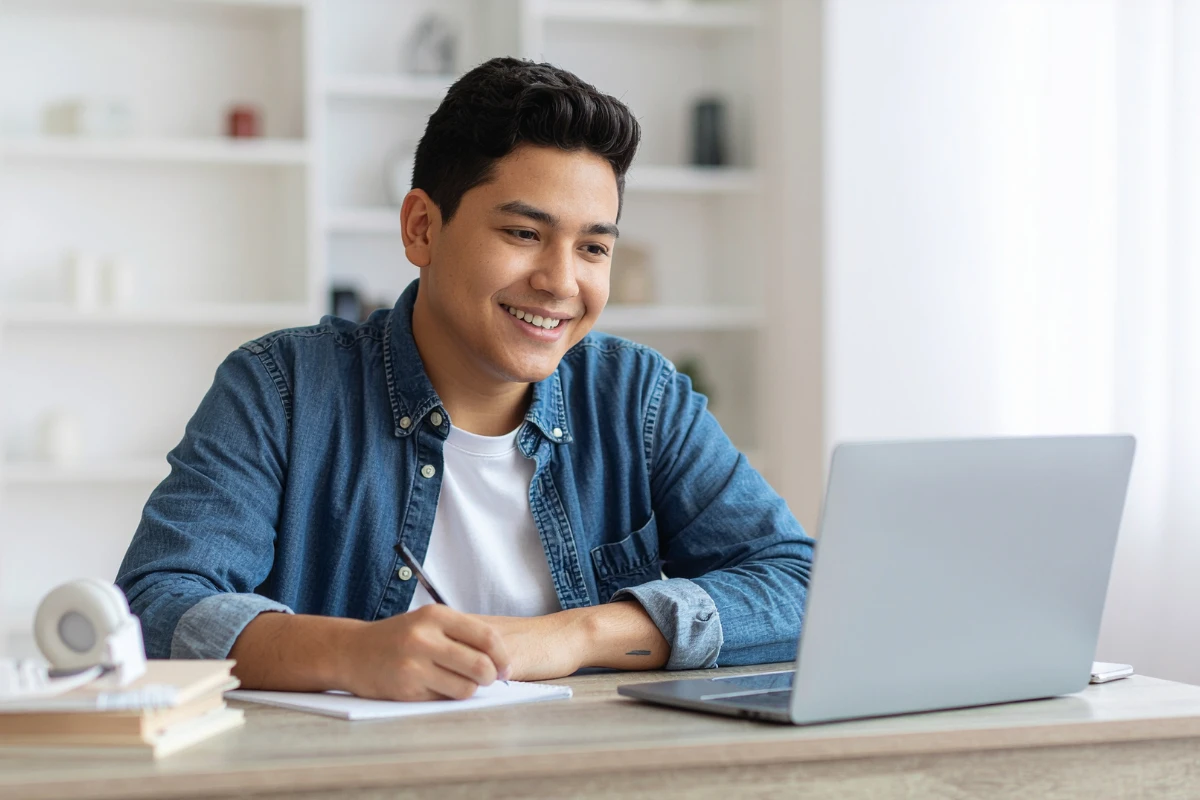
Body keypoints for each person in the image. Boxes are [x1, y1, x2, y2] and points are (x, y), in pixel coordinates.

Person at [116, 57, 814, 702]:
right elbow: (156, 603)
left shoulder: (638, 398)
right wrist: (349, 653)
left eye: (593, 247)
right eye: (522, 233)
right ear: (422, 227)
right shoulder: (284, 388)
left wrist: (576, 635)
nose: (560, 282)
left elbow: (800, 583)